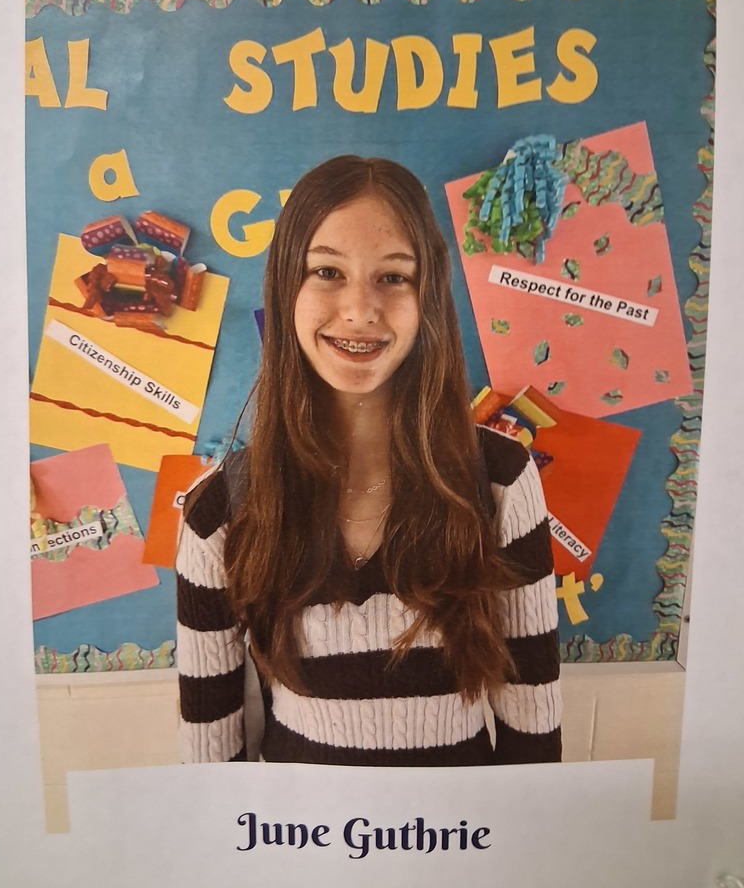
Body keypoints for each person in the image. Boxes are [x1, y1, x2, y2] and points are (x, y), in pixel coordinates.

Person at [176, 155, 562, 766]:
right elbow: (209, 758)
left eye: (393, 277)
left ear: (427, 295)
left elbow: (533, 734)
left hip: (459, 847)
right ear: (285, 289)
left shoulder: (501, 481)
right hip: (300, 851)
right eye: (326, 271)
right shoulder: (219, 512)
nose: (359, 309)